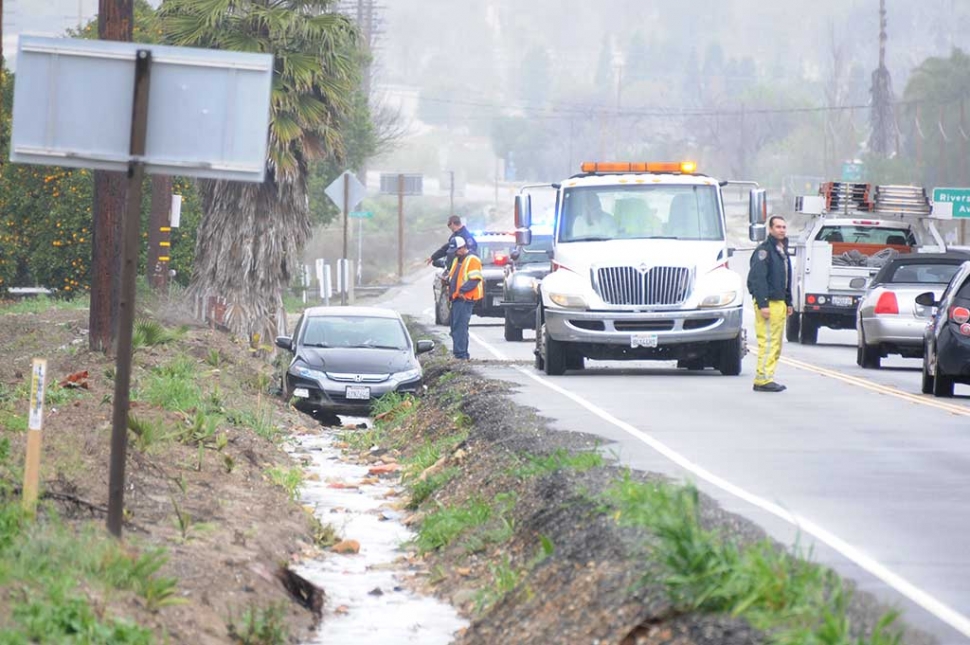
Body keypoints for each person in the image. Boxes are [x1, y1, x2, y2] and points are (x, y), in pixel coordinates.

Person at [747, 215, 793, 393]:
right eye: (778, 227)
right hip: (769, 304)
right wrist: (763, 303)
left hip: (780, 303)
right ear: (770, 229)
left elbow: (785, 278)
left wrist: (788, 301)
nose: (782, 230)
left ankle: (768, 376)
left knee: (776, 343)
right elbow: (758, 279)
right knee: (767, 342)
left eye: (784, 227)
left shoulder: (781, 251)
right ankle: (762, 379)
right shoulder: (764, 251)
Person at [448, 236, 483, 359]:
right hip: (456, 298)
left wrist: (462, 290)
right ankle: (461, 353)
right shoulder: (457, 260)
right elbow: (453, 277)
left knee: (460, 328)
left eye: (456, 250)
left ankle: (460, 355)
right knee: (456, 327)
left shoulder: (472, 259)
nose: (455, 253)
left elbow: (475, 279)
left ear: (463, 248)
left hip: (465, 298)